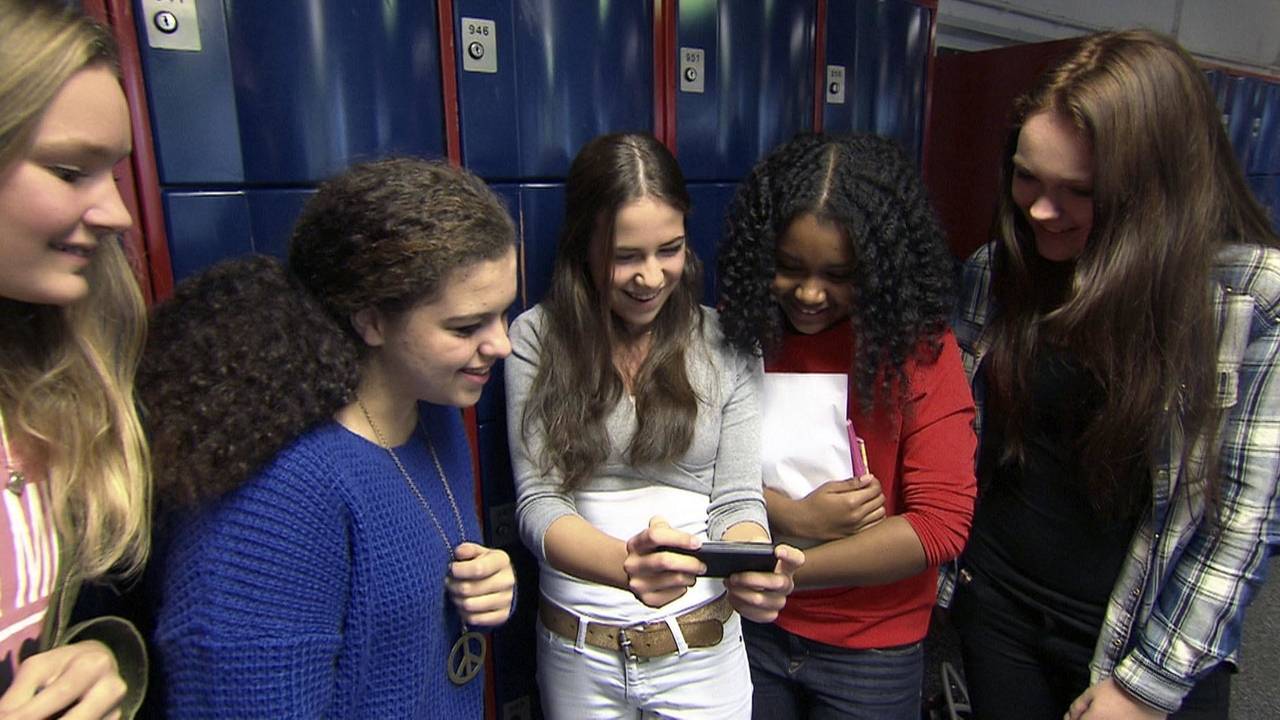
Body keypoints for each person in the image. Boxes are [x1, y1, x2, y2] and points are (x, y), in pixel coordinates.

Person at [949, 29, 1280, 720]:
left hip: (1142, 635)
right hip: (998, 607)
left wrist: (1144, 688)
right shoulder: (998, 271)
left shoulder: (1251, 301)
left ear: (1155, 190)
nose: (1040, 211)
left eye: (1079, 191)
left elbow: (1239, 525)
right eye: (1027, 178)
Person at [139, 157, 518, 718]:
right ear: (371, 321)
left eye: (503, 315)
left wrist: (490, 583)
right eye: (466, 327)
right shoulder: (275, 496)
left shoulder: (433, 410)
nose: (501, 345)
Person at [505, 132, 804, 718]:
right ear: (583, 247)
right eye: (625, 256)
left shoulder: (727, 342)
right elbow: (539, 501)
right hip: (576, 651)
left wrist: (753, 563)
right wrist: (625, 565)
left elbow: (737, 499)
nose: (651, 277)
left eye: (669, 249)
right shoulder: (535, 339)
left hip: (703, 651)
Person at [717, 132, 977, 719]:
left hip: (872, 647)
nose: (810, 294)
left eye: (840, 275)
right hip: (747, 630)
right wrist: (793, 517)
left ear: (880, 269)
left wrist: (787, 569)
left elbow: (939, 526)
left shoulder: (920, 351)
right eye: (789, 268)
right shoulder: (741, 327)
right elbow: (696, 468)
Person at [0, 2, 151, 718]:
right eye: (69, 171)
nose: (118, 213)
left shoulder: (67, 387)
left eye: (113, 173)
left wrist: (102, 654)